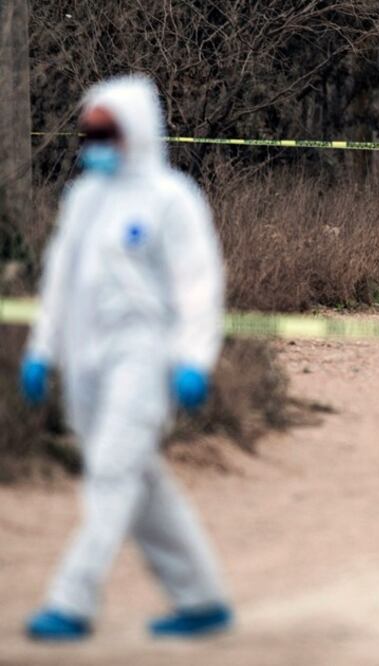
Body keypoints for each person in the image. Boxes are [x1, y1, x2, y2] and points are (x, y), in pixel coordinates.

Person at [19, 74, 233, 641]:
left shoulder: (172, 200)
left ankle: (71, 601)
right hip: (85, 359)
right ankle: (202, 598)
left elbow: (198, 285)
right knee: (139, 482)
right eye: (89, 133)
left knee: (112, 475)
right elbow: (61, 281)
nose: (95, 145)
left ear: (135, 132)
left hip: (147, 358)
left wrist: (194, 359)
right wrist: (42, 349)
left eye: (106, 133)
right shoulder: (84, 197)